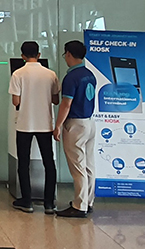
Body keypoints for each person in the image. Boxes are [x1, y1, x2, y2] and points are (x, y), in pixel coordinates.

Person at [8, 41, 59, 214]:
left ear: (22, 56)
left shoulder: (18, 74)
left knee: (23, 163)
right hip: (45, 124)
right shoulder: (51, 74)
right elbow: (56, 100)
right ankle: (49, 203)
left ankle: (27, 201)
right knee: (49, 163)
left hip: (24, 124)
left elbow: (16, 101)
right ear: (39, 55)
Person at [53, 40, 97, 218]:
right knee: (89, 165)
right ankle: (88, 201)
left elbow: (66, 104)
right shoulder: (89, 74)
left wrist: (57, 125)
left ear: (69, 54)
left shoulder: (71, 77)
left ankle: (79, 206)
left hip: (76, 125)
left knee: (77, 167)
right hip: (89, 122)